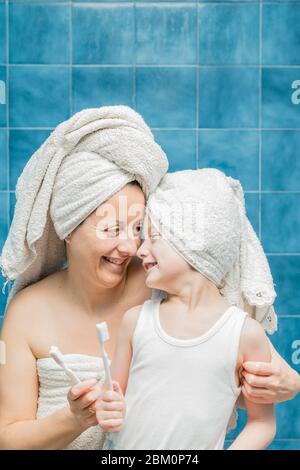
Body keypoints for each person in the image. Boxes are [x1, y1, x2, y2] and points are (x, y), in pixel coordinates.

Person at [0, 105, 168, 450]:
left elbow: (221, 365)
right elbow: (8, 438)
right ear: (68, 230)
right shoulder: (28, 312)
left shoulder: (160, 286)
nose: (130, 245)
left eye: (138, 228)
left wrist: (281, 381)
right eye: (112, 228)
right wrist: (74, 418)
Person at [96, 169, 285, 450]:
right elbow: (111, 395)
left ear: (193, 242)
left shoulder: (244, 334)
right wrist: (106, 409)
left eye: (153, 237)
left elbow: (262, 422)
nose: (140, 250)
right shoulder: (136, 322)